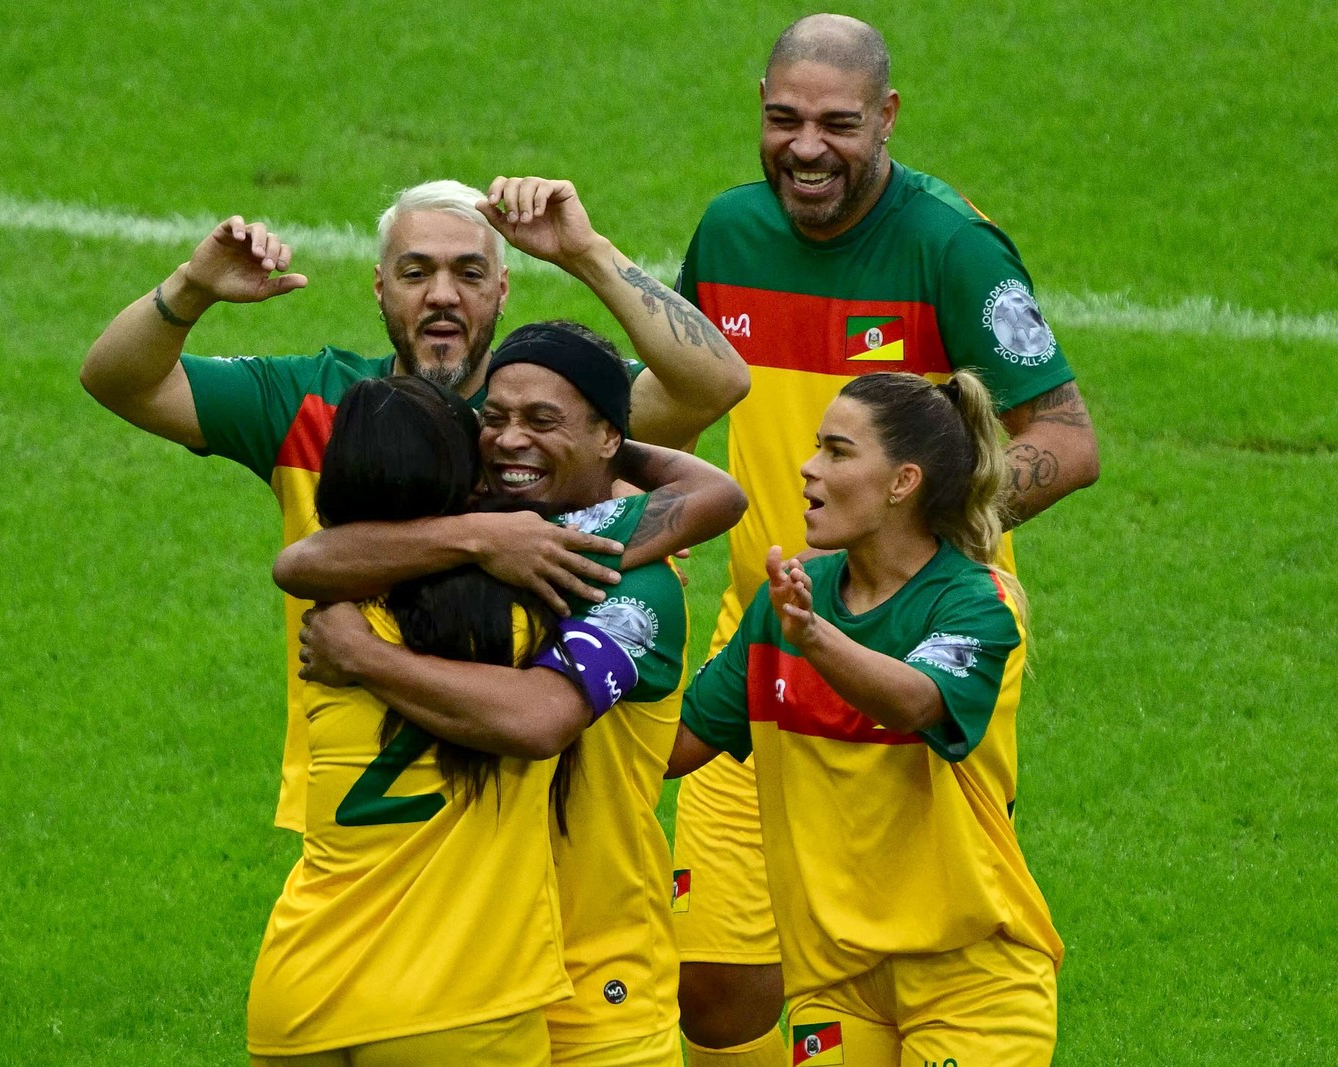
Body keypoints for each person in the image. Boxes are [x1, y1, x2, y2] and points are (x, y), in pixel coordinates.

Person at [669, 15, 1098, 1063]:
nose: (805, 147)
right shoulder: (726, 236)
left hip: (923, 629)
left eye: (836, 123)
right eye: (782, 119)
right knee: (714, 988)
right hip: (763, 631)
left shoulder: (950, 246)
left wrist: (923, 535)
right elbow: (673, 405)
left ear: (887, 117)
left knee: (918, 922)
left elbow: (1068, 440)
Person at [80, 175, 749, 836]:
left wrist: (586, 253)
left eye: (468, 273)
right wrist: (190, 288)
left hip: (524, 823)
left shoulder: (553, 419)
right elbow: (118, 380)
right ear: (380, 287)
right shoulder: (311, 400)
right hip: (361, 800)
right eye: (415, 272)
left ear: (502, 289)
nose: (442, 296)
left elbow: (715, 381)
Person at [290, 322, 743, 1067]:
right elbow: (303, 560)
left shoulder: (624, 570)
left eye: (542, 420)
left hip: (599, 986)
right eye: (492, 418)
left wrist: (365, 656)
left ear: (606, 435)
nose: (507, 440)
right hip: (469, 971)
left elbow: (539, 717)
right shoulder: (470, 539)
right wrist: (477, 532)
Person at [667, 370, 1063, 1067]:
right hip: (835, 979)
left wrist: (814, 636)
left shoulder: (976, 601)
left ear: (902, 481)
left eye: (837, 452)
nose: (808, 466)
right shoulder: (788, 600)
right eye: (817, 447)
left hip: (971, 983)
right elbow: (674, 746)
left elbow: (915, 700)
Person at [247, 374, 579, 1066]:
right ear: (465, 489)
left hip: (301, 989)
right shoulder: (525, 626)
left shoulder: (329, 626)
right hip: (461, 999)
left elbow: (305, 559)